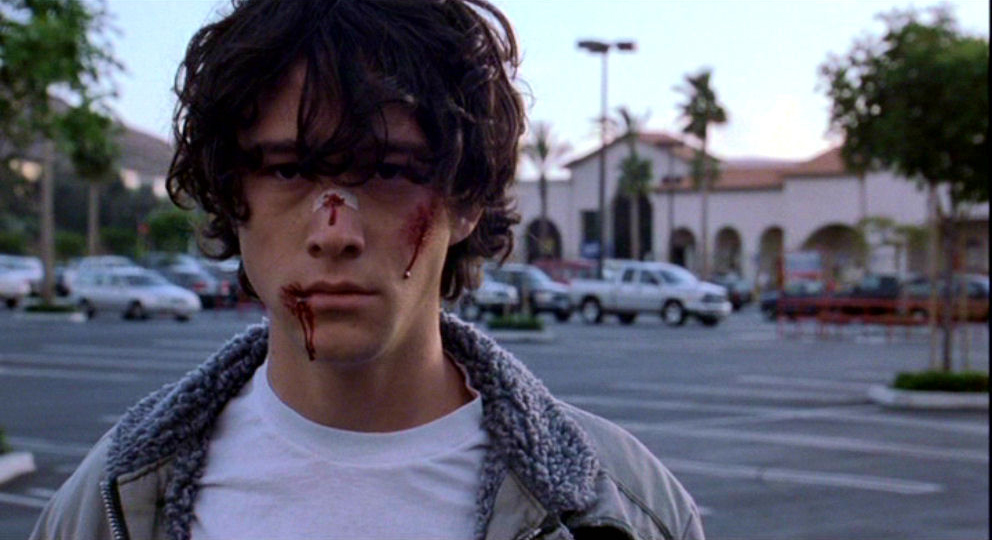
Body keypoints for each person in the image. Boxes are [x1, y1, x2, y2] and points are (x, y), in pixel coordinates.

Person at [31, 1, 704, 539]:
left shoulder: (626, 510)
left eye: (387, 171)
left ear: (467, 200)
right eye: (287, 171)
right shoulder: (110, 501)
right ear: (231, 198)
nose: (335, 233)